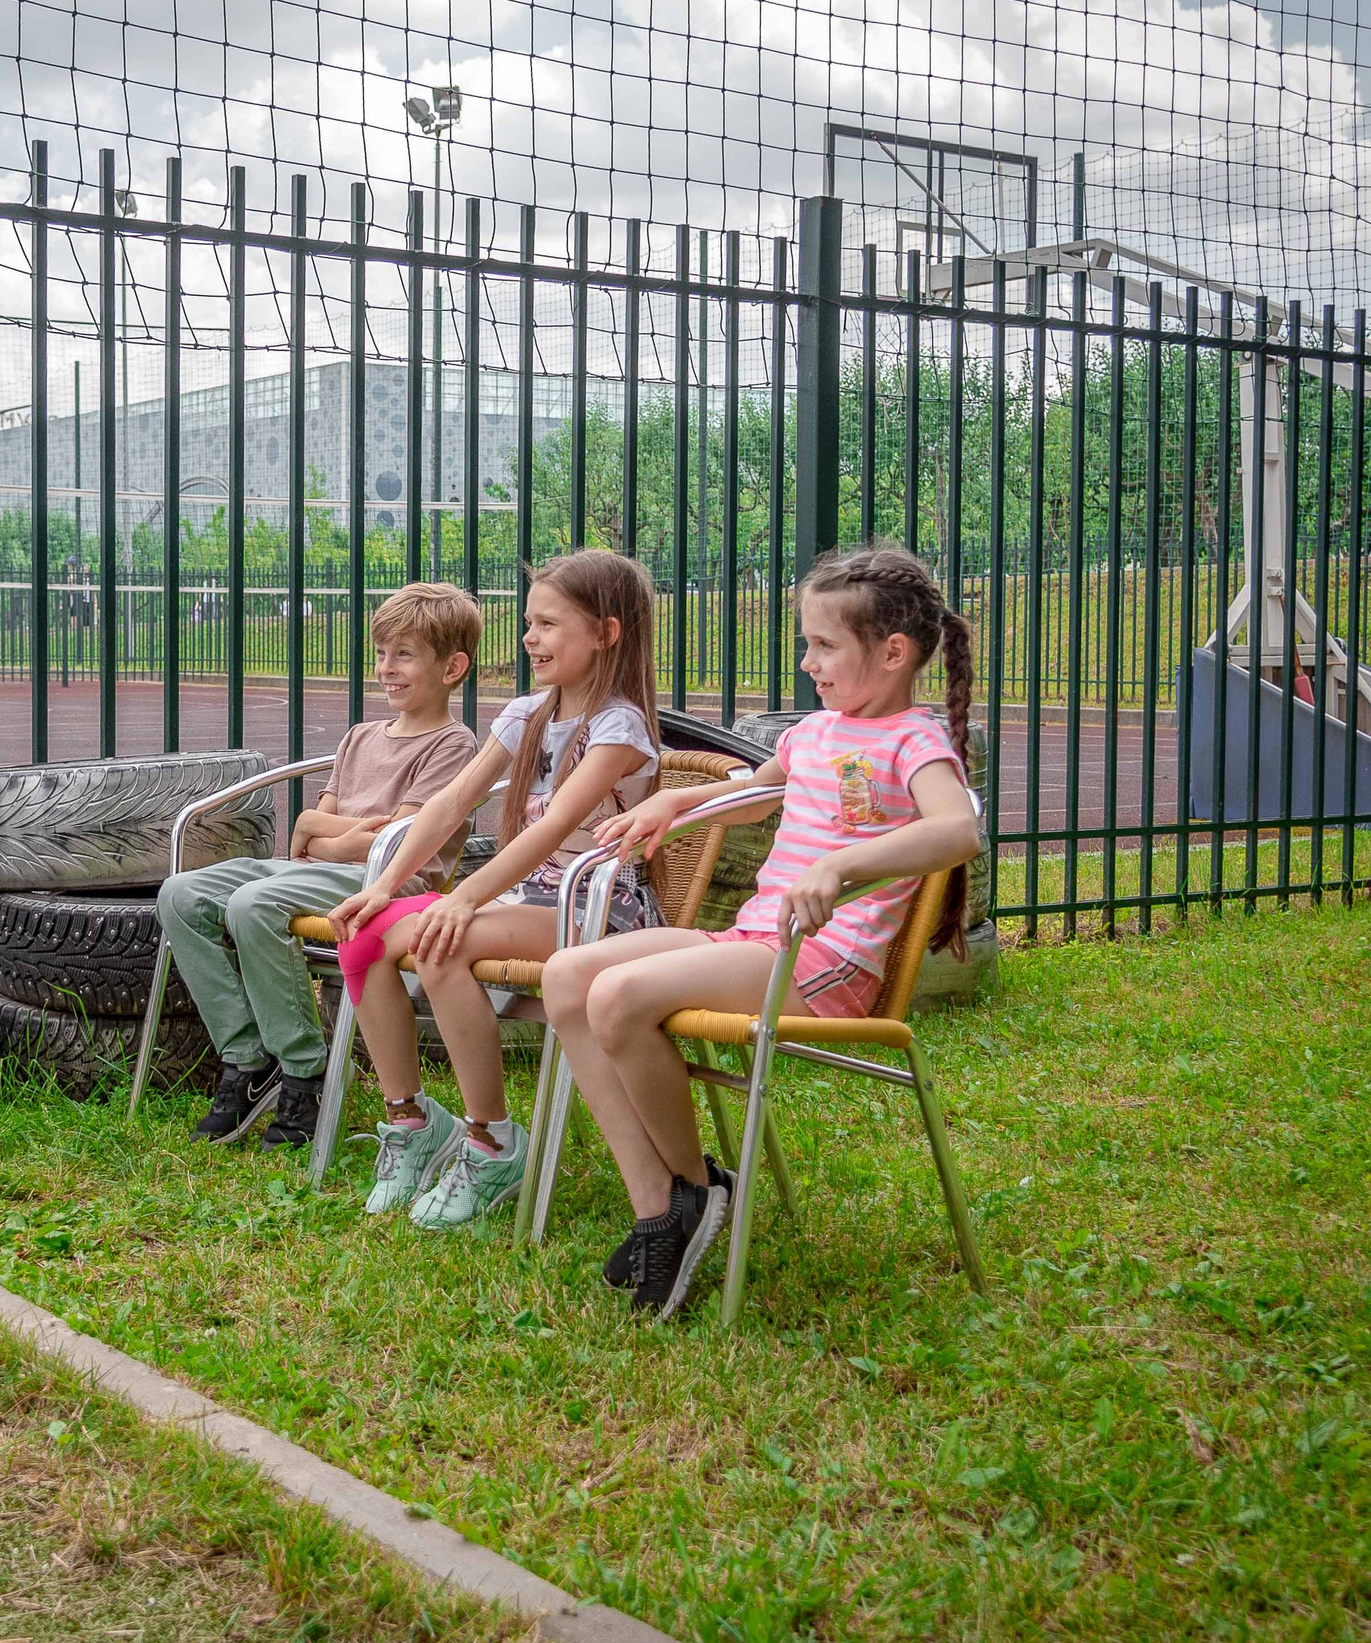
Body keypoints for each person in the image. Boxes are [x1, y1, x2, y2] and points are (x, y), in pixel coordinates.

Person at [541, 545, 983, 1318]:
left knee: (615, 995)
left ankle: (697, 1190)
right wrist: (673, 804)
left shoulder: (913, 741)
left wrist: (843, 868)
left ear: (892, 653)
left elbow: (957, 831)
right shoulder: (814, 733)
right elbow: (751, 796)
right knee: (566, 976)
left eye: (823, 645)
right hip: (758, 945)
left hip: (823, 968)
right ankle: (665, 1205)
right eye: (807, 643)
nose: (807, 661)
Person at [329, 551, 662, 1230]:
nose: (527, 637)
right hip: (531, 899)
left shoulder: (618, 728)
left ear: (607, 632)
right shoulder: (527, 713)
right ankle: (412, 1120)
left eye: (547, 624)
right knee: (364, 936)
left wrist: (464, 897)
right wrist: (385, 884)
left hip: (598, 908)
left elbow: (554, 830)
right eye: (528, 622)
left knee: (439, 941)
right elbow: (450, 803)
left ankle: (491, 1142)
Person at [155, 583, 482, 1150]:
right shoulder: (360, 736)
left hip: (386, 885)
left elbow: (386, 840)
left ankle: (305, 1070)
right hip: (317, 875)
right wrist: (324, 834)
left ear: (453, 667)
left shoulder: (453, 746)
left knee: (252, 902)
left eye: (404, 654)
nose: (387, 668)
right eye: (382, 653)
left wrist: (317, 834)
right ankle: (247, 1060)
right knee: (180, 895)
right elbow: (323, 826)